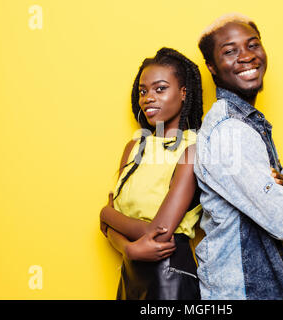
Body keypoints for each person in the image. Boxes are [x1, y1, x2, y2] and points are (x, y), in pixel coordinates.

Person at [194, 13, 283, 300]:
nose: (246, 57)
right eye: (230, 51)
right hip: (241, 292)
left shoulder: (248, 124)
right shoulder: (230, 132)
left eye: (253, 45)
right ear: (212, 67)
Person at [99, 48, 204, 300]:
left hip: (171, 276)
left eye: (160, 89)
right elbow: (110, 225)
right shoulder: (134, 146)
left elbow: (159, 232)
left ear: (183, 93)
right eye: (143, 91)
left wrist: (105, 214)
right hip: (130, 274)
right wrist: (128, 249)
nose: (148, 98)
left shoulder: (195, 148)